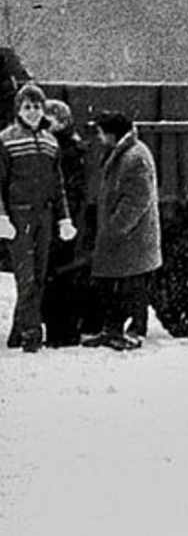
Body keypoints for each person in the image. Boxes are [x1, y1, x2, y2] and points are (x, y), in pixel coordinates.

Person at [1, 83, 77, 352]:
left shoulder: (49, 142)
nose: (32, 112)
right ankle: (32, 335)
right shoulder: (6, 139)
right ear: (18, 110)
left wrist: (63, 218)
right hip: (19, 217)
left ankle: (16, 333)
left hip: (44, 217)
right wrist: (2, 217)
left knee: (39, 276)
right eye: (27, 107)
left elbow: (58, 186)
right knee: (26, 277)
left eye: (36, 107)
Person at [88, 110, 162, 350]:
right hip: (124, 236)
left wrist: (115, 228)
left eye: (100, 132)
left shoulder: (135, 157)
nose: (98, 138)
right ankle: (112, 330)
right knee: (116, 285)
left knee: (134, 286)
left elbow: (137, 200)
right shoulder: (124, 153)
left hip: (133, 237)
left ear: (112, 134)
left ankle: (134, 332)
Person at [39, 99, 96, 347]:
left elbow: (68, 192)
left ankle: (62, 334)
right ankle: (64, 330)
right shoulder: (70, 148)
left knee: (60, 280)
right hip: (66, 223)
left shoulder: (65, 151)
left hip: (64, 224)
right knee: (62, 278)